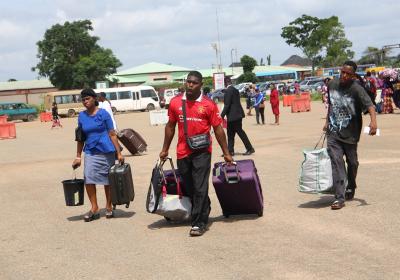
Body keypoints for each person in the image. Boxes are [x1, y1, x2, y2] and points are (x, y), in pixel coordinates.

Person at [159, 71, 233, 237]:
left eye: (194, 83)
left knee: (200, 186)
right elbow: (170, 126)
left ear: (200, 85)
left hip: (202, 152)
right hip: (182, 152)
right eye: (188, 82)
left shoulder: (208, 104)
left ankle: (199, 222)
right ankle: (204, 207)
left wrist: (226, 152)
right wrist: (164, 149)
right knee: (190, 186)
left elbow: (218, 129)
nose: (190, 85)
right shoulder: (175, 102)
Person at [323, 61, 377, 210]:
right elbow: (331, 106)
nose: (344, 75)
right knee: (337, 163)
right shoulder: (332, 84)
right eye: (342, 72)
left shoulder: (356, 89)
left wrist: (373, 122)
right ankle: (339, 198)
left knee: (352, 164)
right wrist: (327, 121)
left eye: (348, 73)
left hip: (351, 134)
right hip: (333, 132)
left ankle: (351, 185)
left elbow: (370, 106)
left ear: (353, 75)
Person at [72, 88, 124, 221]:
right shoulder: (82, 116)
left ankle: (109, 206)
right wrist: (78, 156)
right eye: (83, 100)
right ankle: (94, 207)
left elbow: (112, 134)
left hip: (107, 151)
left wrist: (119, 153)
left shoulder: (104, 114)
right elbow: (80, 137)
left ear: (94, 99)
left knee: (108, 180)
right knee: (89, 178)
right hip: (90, 151)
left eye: (87, 99)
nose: (85, 102)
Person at [221, 77, 255, 156]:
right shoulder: (235, 90)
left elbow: (227, 105)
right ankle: (230, 151)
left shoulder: (228, 91)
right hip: (237, 115)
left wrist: (221, 116)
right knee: (230, 133)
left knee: (239, 132)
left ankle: (250, 148)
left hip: (233, 116)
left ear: (225, 83)